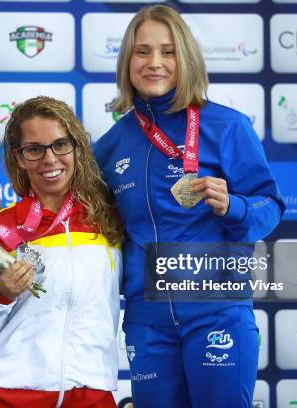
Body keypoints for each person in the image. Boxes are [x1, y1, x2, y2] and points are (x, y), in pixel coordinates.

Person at [94, 5, 285, 408]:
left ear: (187, 58)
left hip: (217, 311)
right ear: (127, 60)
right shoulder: (112, 144)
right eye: (142, 51)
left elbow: (270, 208)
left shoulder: (228, 126)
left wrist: (233, 206)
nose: (155, 63)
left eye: (168, 51)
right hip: (148, 322)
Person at [0, 96, 124, 408]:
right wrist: (0, 291)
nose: (50, 159)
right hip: (8, 394)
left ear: (76, 148)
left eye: (60, 144)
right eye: (34, 149)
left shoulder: (109, 224)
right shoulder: (0, 228)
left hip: (91, 391)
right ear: (19, 157)